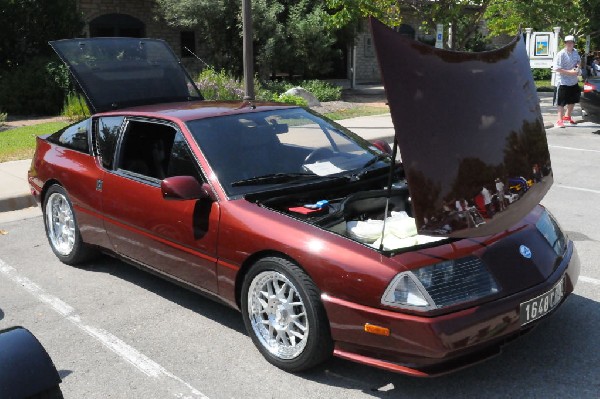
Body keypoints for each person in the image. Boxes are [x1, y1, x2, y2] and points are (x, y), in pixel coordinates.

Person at [553, 35, 581, 128]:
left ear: (573, 43)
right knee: (561, 102)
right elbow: (556, 68)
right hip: (563, 81)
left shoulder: (575, 52)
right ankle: (559, 121)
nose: (569, 44)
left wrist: (576, 69)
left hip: (573, 81)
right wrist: (570, 72)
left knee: (572, 100)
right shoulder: (561, 54)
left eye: (571, 42)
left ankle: (567, 117)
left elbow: (578, 62)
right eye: (567, 42)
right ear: (565, 43)